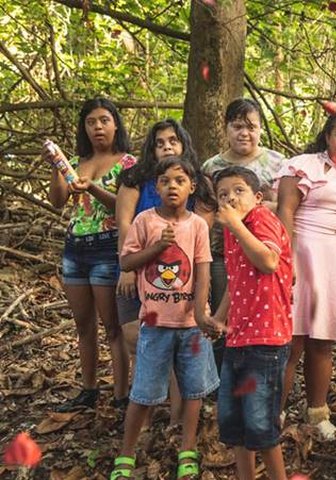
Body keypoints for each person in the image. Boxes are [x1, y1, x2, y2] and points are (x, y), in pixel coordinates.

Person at [111, 157, 219, 480]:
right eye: (166, 181)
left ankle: (188, 448)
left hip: (191, 326)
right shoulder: (145, 221)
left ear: (192, 187)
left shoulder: (198, 225)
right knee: (143, 392)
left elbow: (202, 271)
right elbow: (128, 262)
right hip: (155, 324)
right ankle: (126, 454)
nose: (173, 186)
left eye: (180, 181)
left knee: (194, 390)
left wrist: (201, 313)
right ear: (156, 186)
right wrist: (158, 246)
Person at [276, 108, 336, 439]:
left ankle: (317, 413)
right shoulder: (304, 165)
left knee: (322, 341)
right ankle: (273, 412)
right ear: (328, 137)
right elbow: (285, 210)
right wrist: (285, 258)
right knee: (292, 340)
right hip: (300, 252)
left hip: (333, 260)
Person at [115, 118, 216, 422]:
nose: (166, 146)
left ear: (184, 144)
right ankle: (144, 409)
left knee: (179, 342)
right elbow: (124, 223)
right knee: (137, 338)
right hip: (137, 269)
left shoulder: (199, 182)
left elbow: (198, 237)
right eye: (159, 142)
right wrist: (127, 270)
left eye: (172, 140)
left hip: (179, 279)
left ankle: (177, 418)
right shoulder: (135, 177)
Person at [44, 97, 133, 412]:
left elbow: (124, 208)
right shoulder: (75, 161)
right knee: (83, 325)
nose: (98, 127)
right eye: (91, 122)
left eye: (104, 120)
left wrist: (93, 188)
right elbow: (57, 200)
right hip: (75, 249)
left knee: (114, 327)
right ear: (84, 127)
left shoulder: (128, 164)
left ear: (115, 124)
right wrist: (57, 168)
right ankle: (89, 389)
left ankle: (122, 395)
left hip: (108, 248)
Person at [210, 166, 292, 480]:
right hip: (238, 338)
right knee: (235, 425)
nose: (230, 198)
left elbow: (268, 261)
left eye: (238, 190)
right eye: (223, 194)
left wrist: (235, 224)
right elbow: (236, 281)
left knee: (261, 427)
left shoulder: (262, 220)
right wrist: (219, 317)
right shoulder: (234, 230)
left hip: (267, 340)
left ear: (257, 197)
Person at [201, 98, 285, 316]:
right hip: (222, 253)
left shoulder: (278, 162)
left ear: (260, 130)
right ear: (226, 128)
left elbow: (287, 207)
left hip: (265, 249)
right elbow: (205, 210)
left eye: (251, 127)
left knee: (261, 312)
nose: (244, 133)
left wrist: (266, 207)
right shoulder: (211, 167)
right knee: (224, 315)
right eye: (237, 127)